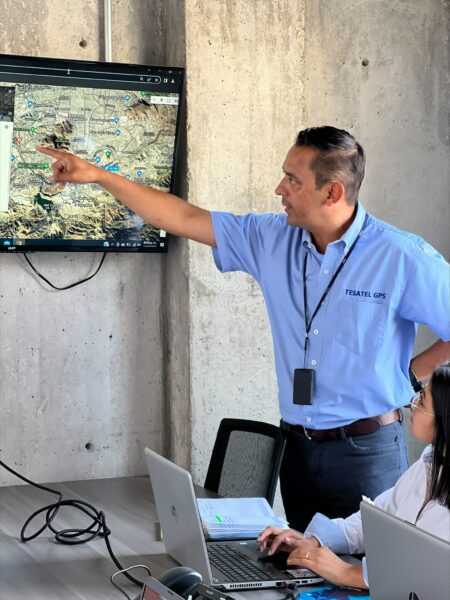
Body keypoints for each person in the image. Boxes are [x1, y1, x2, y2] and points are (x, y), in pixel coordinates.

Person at [37, 126, 450, 530]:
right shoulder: (271, 238)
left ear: (332, 192)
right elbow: (181, 216)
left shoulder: (402, 256)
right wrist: (99, 176)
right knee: (302, 572)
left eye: (292, 179)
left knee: (371, 576)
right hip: (297, 449)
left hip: (368, 452)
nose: (279, 189)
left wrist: (411, 374)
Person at [257, 362, 450, 589]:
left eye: (422, 400)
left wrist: (349, 572)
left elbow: (430, 568)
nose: (411, 403)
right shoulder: (431, 461)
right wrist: (313, 541)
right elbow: (377, 517)